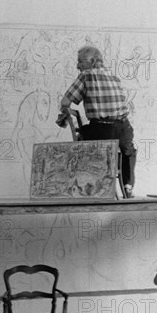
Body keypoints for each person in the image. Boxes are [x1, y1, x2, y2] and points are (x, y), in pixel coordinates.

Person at [59, 45, 137, 198]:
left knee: (85, 133)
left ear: (93, 61)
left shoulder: (86, 76)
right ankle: (127, 186)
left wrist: (64, 114)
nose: (77, 66)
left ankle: (89, 183)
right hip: (123, 129)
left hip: (102, 132)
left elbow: (65, 101)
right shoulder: (114, 77)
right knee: (129, 151)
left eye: (81, 61)